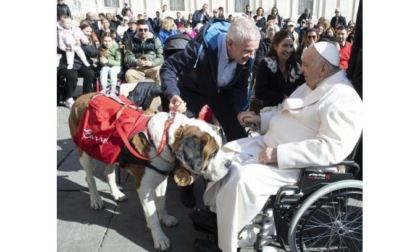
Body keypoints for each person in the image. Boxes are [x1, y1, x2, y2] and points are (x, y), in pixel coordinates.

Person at [193, 41, 363, 252]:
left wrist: (280, 154)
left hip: (297, 166)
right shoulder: (312, 83)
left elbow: (331, 149)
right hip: (270, 144)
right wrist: (259, 119)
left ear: (323, 69)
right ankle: (218, 215)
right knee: (226, 153)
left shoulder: (344, 98)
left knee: (240, 177)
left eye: (305, 64)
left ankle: (227, 243)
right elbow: (285, 110)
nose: (301, 69)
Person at [160, 17, 261, 208]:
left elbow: (240, 85)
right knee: (189, 140)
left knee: (238, 134)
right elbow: (169, 67)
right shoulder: (201, 48)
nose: (253, 55)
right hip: (193, 89)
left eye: (254, 50)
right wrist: (173, 95)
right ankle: (186, 185)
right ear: (230, 44)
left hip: (221, 92)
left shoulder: (246, 52)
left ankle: (231, 178)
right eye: (248, 51)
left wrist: (240, 110)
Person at [254, 30, 305, 108]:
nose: (289, 50)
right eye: (285, 45)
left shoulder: (296, 66)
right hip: (269, 111)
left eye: (291, 46)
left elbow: (303, 85)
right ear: (275, 47)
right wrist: (282, 96)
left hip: (291, 110)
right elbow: (260, 92)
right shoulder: (266, 64)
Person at [57, 23, 97, 108]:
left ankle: (86, 96)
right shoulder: (66, 36)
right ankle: (69, 98)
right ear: (80, 30)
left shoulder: (89, 40)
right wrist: (67, 46)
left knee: (90, 73)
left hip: (83, 63)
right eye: (86, 31)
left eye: (90, 31)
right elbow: (60, 48)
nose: (88, 33)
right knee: (72, 76)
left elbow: (94, 53)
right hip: (68, 63)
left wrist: (82, 45)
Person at [124, 19, 164, 84]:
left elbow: (161, 58)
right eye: (140, 30)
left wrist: (152, 63)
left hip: (153, 67)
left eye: (145, 30)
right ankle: (137, 93)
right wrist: (137, 62)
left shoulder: (155, 39)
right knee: (129, 75)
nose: (143, 32)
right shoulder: (131, 41)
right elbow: (129, 57)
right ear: (137, 30)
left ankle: (158, 93)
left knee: (160, 72)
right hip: (138, 67)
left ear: (148, 29)